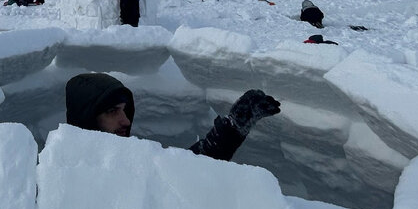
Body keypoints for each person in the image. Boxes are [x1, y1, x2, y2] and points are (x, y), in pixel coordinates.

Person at [64, 73, 280, 161]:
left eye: (124, 110)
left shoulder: (121, 158)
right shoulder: (65, 175)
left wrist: (231, 130)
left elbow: (178, 173)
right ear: (87, 117)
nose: (127, 121)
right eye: (112, 111)